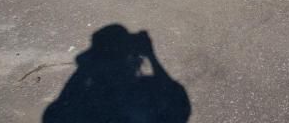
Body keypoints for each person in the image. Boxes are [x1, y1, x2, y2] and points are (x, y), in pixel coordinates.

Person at [43, 24, 190, 123]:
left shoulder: (56, 113)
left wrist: (88, 65)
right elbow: (174, 96)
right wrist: (151, 55)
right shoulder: (142, 94)